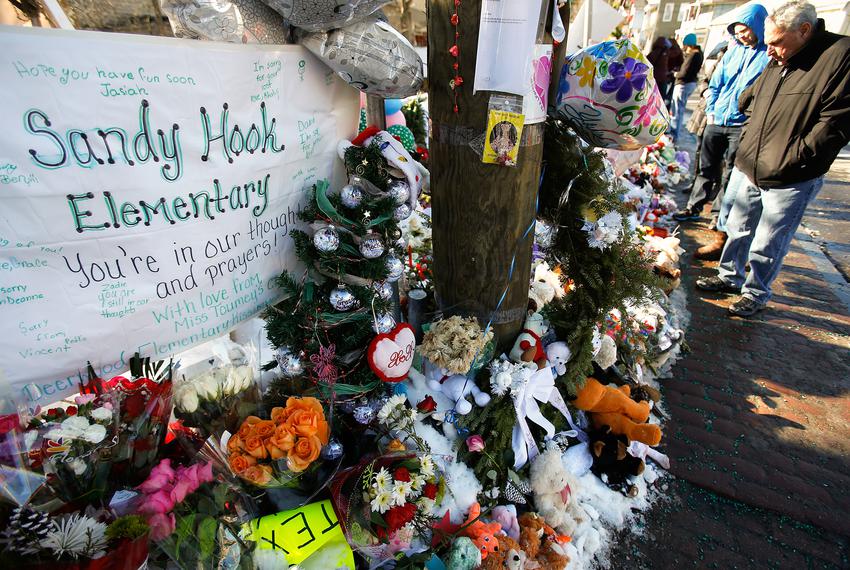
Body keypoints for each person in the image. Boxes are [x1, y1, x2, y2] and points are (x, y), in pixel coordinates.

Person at [696, 1, 850, 317]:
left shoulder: (840, 55)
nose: (770, 51)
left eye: (776, 43)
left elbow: (837, 121)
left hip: (791, 173)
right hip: (751, 162)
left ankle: (755, 292)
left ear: (804, 31)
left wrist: (795, 156)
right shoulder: (778, 56)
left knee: (769, 239)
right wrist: (752, 135)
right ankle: (729, 277)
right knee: (737, 226)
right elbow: (750, 97)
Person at [673, 4, 770, 225]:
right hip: (717, 120)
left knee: (730, 173)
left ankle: (719, 217)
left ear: (756, 26)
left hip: (741, 125)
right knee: (705, 167)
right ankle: (693, 207)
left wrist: (749, 118)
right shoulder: (732, 52)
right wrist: (712, 111)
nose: (741, 35)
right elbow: (715, 84)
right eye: (737, 31)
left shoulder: (768, 56)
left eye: (745, 30)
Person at [669, 34, 704, 141]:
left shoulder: (693, 55)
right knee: (679, 109)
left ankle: (674, 135)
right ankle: (675, 134)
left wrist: (675, 74)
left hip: (683, 84)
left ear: (688, 44)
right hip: (689, 84)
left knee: (676, 111)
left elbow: (684, 72)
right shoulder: (699, 54)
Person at [664, 38, 684, 108]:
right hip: (673, 76)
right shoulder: (679, 51)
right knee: (669, 94)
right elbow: (681, 63)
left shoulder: (666, 51)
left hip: (666, 75)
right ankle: (667, 108)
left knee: (663, 93)